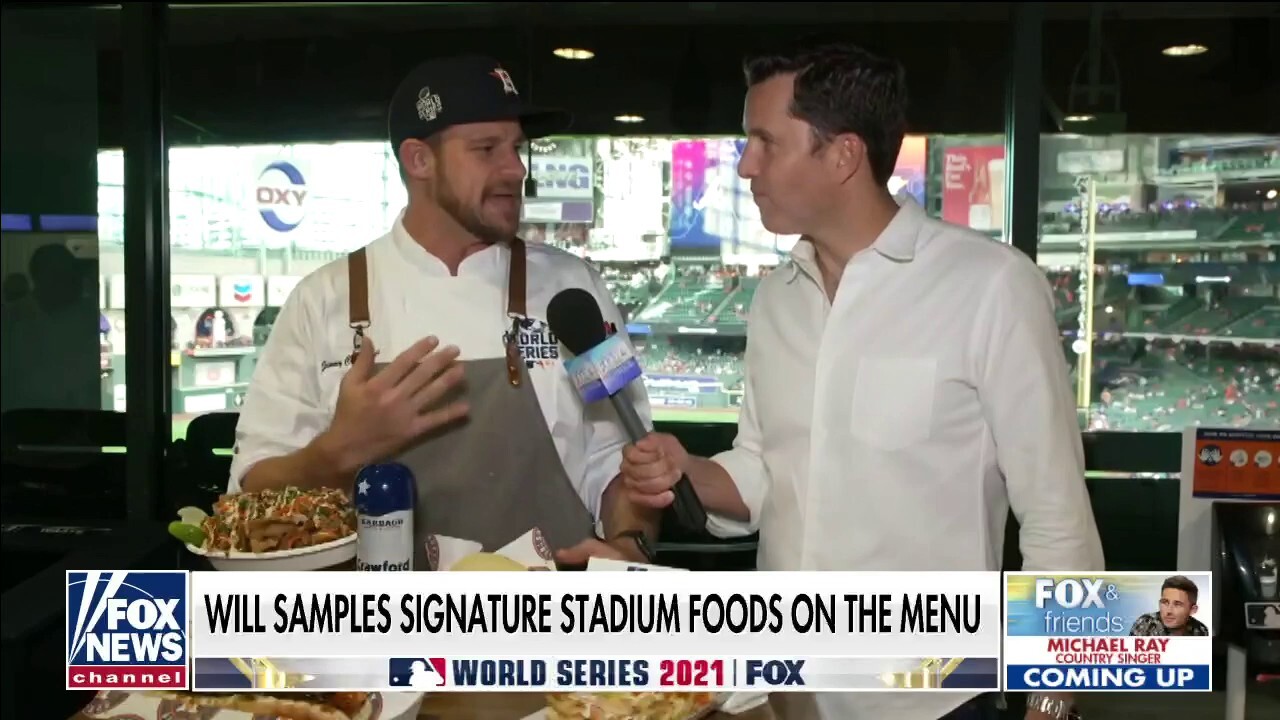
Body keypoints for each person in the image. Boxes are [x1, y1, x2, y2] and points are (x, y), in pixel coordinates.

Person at [618, 41, 1105, 720]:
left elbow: (1055, 515)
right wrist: (689, 469)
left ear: (842, 155)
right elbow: (764, 469)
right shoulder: (777, 296)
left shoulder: (991, 285)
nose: (744, 165)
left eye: (764, 142)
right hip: (787, 692)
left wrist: (1053, 699)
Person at [230, 54, 657, 568]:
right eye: (486, 149)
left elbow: (624, 457)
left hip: (547, 625)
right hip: (370, 632)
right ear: (419, 160)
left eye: (518, 147)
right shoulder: (323, 300)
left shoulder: (574, 291)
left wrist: (629, 544)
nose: (515, 169)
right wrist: (339, 450)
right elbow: (250, 492)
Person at [1128, 575, 1209, 636]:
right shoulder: (1146, 624)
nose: (1169, 611)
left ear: (1192, 610)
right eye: (1165, 602)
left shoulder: (1201, 630)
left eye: (1177, 604)